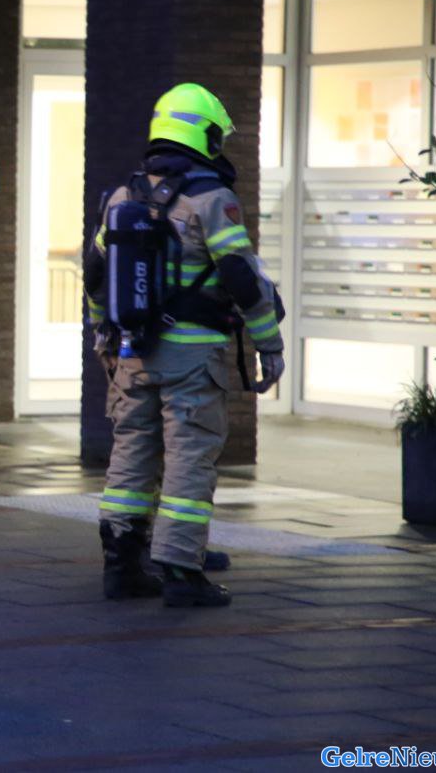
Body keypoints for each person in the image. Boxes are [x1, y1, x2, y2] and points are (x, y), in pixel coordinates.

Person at [83, 83, 285, 608]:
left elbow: (93, 273)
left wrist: (101, 334)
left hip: (133, 352)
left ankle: (123, 566)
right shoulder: (213, 200)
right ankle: (180, 570)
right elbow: (241, 279)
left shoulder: (123, 197)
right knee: (189, 459)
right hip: (194, 358)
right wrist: (269, 343)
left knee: (130, 454)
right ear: (205, 135)